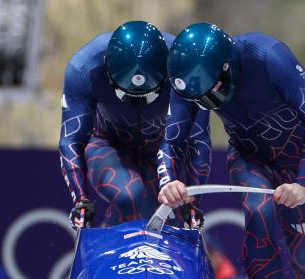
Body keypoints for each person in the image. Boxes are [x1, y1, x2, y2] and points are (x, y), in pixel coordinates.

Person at [159, 23, 305, 279]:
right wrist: (168, 179)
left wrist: (301, 182)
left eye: (212, 93)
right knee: (258, 214)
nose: (208, 102)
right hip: (249, 156)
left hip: (297, 159)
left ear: (228, 68)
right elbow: (171, 140)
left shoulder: (269, 57)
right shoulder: (186, 81)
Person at [59, 21, 211, 229]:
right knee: (129, 195)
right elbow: (72, 139)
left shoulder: (187, 67)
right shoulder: (83, 68)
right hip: (108, 141)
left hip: (168, 143)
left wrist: (193, 201)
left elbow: (198, 139)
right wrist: (81, 199)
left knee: (165, 209)